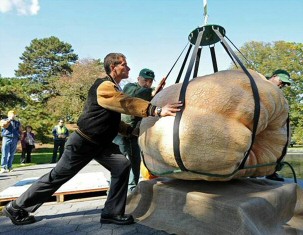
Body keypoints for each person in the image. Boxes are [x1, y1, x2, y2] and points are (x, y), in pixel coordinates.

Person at [3, 52, 182, 226]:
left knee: (122, 165)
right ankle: (17, 207)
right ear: (113, 67)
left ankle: (112, 213)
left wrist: (131, 131)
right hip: (83, 142)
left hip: (101, 144)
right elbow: (125, 103)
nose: (128, 67)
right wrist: (156, 110)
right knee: (57, 176)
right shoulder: (104, 86)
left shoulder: (113, 87)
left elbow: (110, 121)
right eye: (124, 64)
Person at [113, 68, 165, 191]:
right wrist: (153, 91)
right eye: (145, 80)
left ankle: (131, 192)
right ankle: (117, 191)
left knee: (134, 165)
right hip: (120, 134)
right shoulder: (130, 87)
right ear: (138, 79)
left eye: (150, 81)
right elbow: (136, 95)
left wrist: (158, 93)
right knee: (120, 164)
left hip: (134, 135)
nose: (147, 83)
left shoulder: (149, 93)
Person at [266, 69, 292, 181]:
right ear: (274, 76)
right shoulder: (260, 84)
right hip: (257, 121)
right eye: (282, 81)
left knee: (279, 145)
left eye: (285, 83)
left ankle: (272, 172)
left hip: (271, 125)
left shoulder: (278, 93)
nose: (282, 84)